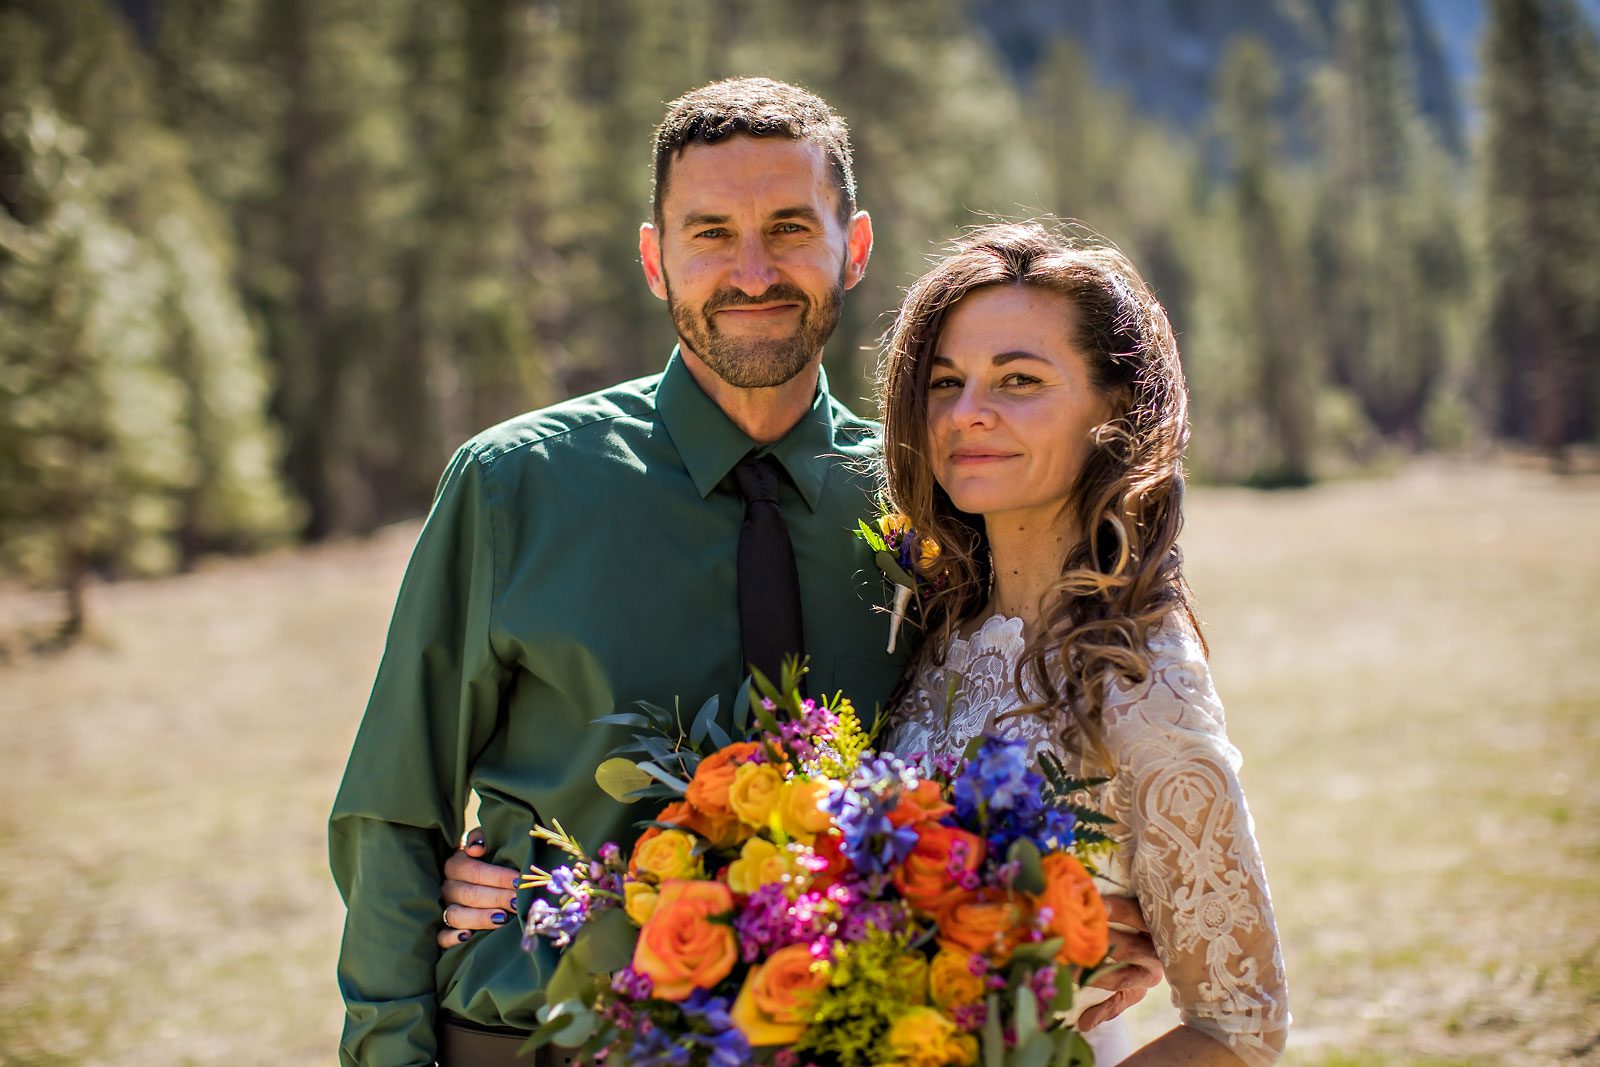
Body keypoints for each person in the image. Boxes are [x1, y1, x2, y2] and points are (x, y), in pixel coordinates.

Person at [330, 79, 1167, 1067]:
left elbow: (1026, 724)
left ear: (851, 247)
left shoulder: (933, 501)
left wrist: (1082, 897)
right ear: (655, 260)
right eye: (711, 234)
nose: (753, 270)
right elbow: (392, 808)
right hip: (539, 1040)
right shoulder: (516, 486)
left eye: (787, 227)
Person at [442, 219, 1289, 1065]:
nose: (968, 413)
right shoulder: (938, 622)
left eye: (1019, 379)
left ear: (1115, 405)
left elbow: (1240, 1026)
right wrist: (504, 875)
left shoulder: (1139, 678)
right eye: (945, 380)